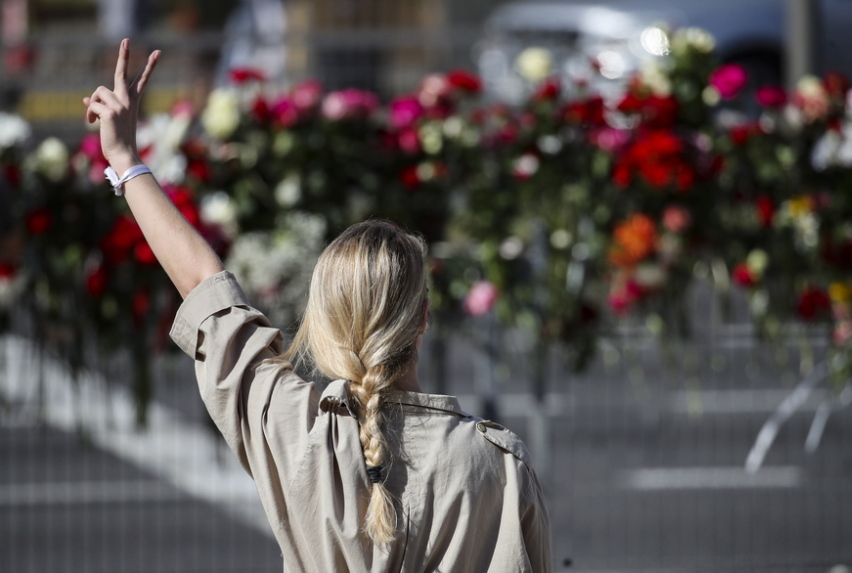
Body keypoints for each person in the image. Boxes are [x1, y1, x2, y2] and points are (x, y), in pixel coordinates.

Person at [83, 39, 552, 572]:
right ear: (423, 317)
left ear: (324, 323)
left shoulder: (294, 429)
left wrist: (125, 159)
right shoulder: (496, 464)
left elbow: (203, 284)